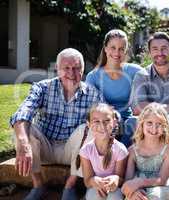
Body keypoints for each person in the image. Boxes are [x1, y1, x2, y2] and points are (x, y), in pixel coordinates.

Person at [9, 48, 104, 200]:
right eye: (66, 68)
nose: (72, 73)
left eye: (77, 68)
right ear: (57, 69)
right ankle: (38, 184)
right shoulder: (42, 87)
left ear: (83, 70)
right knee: (24, 126)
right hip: (44, 148)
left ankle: (70, 185)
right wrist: (23, 143)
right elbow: (22, 112)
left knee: (92, 128)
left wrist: (115, 120)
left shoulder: (93, 93)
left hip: (73, 152)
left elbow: (107, 116)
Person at [122, 32, 169, 193]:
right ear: (150, 52)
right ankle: (126, 180)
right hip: (149, 122)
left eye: (164, 48)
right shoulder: (142, 75)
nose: (160, 53)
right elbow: (138, 107)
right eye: (155, 49)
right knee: (130, 123)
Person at [121, 103, 169, 200]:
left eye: (159, 124)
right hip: (138, 186)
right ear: (141, 125)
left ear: (165, 127)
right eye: (149, 123)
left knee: (153, 196)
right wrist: (133, 191)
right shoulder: (133, 151)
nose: (154, 128)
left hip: (161, 187)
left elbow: (162, 180)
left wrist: (140, 182)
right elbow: (128, 181)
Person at [85, 29, 143, 121]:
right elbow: (92, 109)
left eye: (121, 49)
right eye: (113, 47)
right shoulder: (93, 77)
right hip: (104, 123)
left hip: (129, 121)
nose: (116, 53)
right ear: (105, 48)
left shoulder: (135, 71)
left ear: (125, 51)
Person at [79, 103, 128, 200]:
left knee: (114, 197)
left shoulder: (120, 150)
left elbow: (122, 178)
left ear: (114, 123)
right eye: (96, 121)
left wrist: (116, 180)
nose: (102, 126)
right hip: (95, 188)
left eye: (106, 121)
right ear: (89, 125)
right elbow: (87, 181)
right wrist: (94, 181)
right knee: (94, 196)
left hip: (114, 189)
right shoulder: (85, 150)